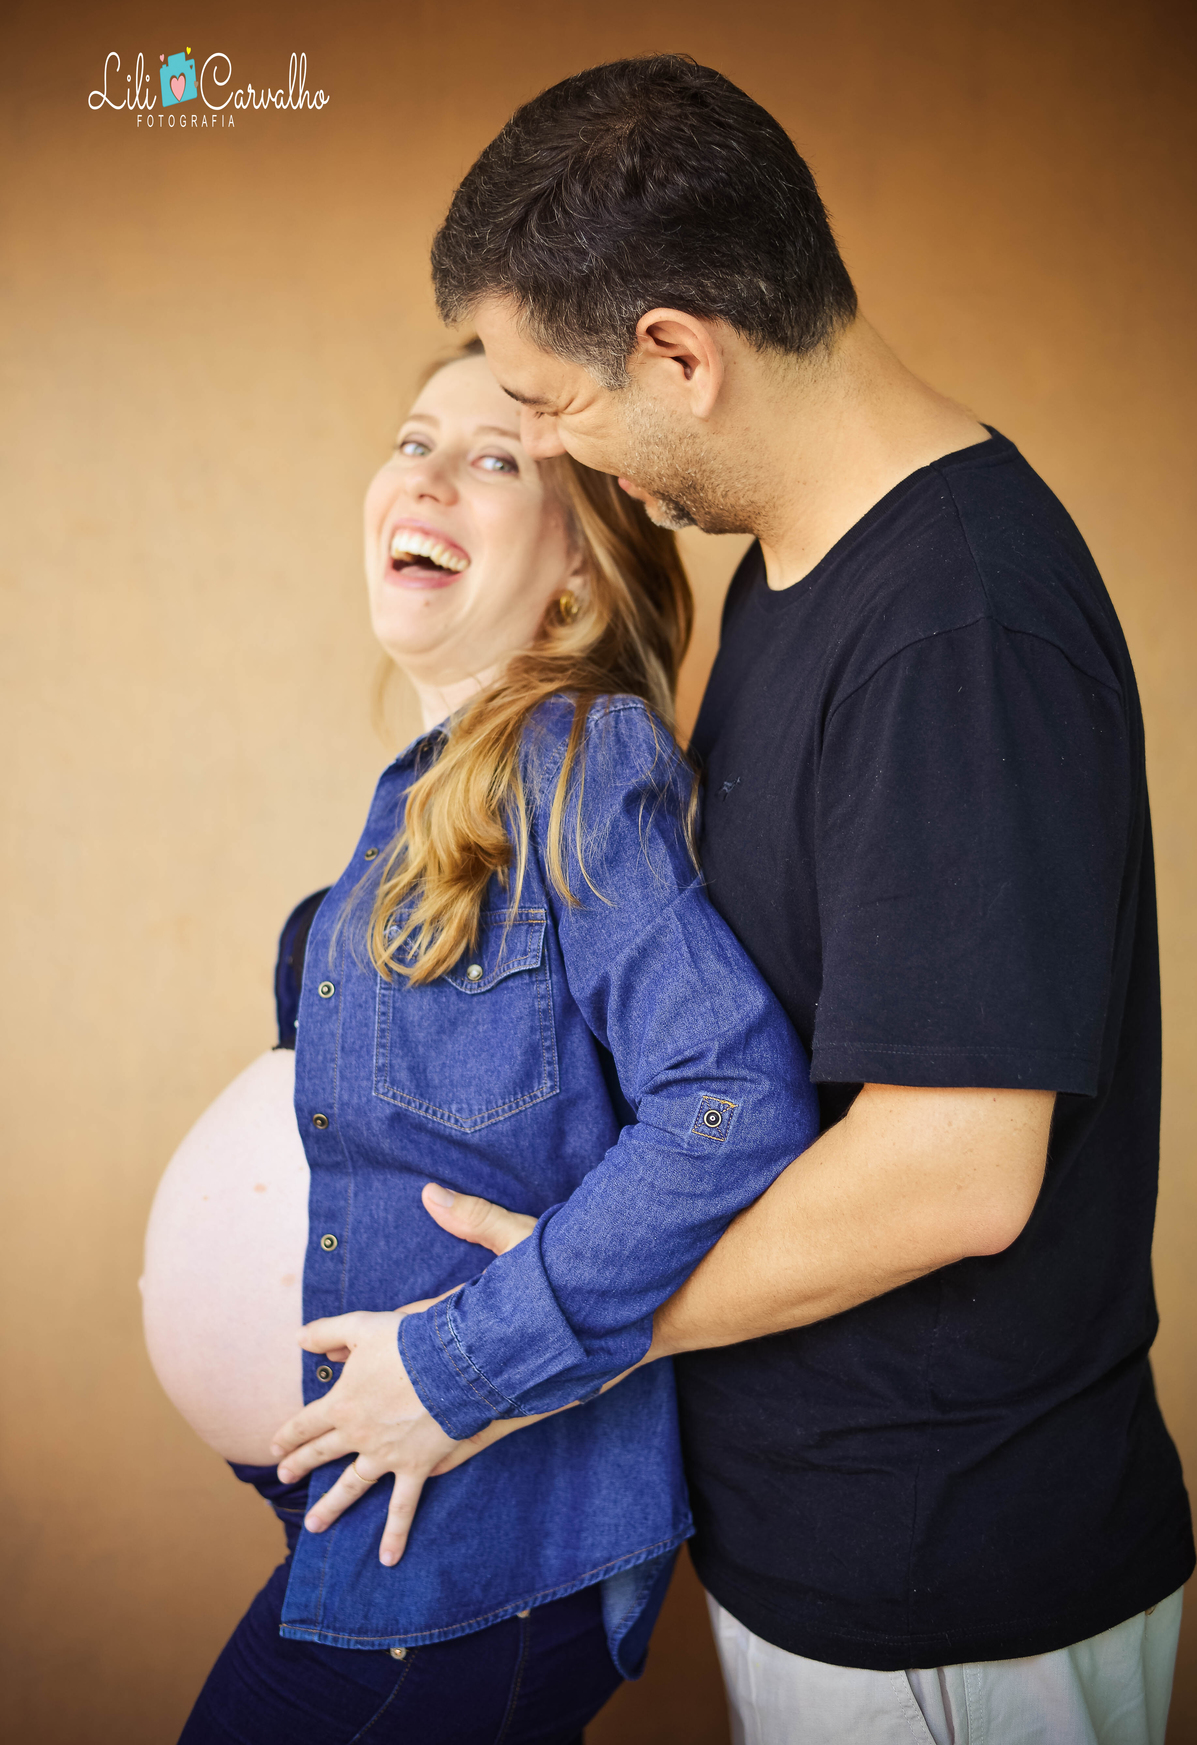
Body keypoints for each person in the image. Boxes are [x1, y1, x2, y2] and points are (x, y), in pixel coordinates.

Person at [291, 58, 1192, 1743]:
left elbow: (953, 1175)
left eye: (548, 405)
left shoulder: (958, 628)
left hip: (954, 1588)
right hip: (823, 1555)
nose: (546, 447)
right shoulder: (788, 575)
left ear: (680, 356)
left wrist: (520, 1347)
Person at [165, 339, 820, 1744]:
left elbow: (732, 1101)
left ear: (579, 570)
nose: (431, 475)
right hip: (394, 1539)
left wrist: (459, 1366)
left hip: (475, 1563)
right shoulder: (427, 804)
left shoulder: (576, 765)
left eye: (497, 459)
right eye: (414, 440)